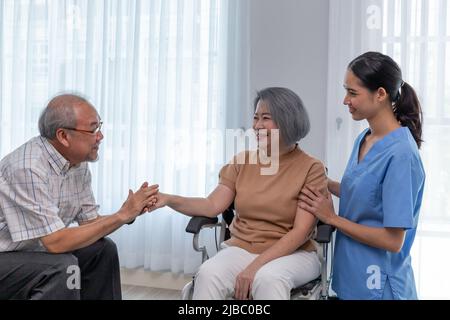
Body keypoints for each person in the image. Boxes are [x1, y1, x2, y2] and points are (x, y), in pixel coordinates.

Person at [151, 87, 327, 300]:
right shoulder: (242, 161)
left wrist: (254, 267)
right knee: (208, 274)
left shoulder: (311, 168)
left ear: (287, 121)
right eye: (255, 118)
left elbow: (300, 232)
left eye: (266, 118)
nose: (257, 125)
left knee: (268, 279)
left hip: (295, 253)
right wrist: (168, 199)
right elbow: (211, 205)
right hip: (242, 247)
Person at [0, 94, 158, 300]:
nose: (100, 136)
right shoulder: (27, 167)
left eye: (99, 127)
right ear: (63, 136)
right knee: (62, 268)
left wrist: (129, 212)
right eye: (93, 129)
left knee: (102, 249)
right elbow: (55, 242)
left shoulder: (77, 164)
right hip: (6, 256)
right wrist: (121, 215)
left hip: (32, 253)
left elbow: (90, 223)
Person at [299, 52, 425, 300]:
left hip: (380, 285)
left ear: (380, 94)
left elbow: (393, 240)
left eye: (353, 93)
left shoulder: (401, 155)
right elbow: (368, 197)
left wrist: (331, 218)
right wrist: (323, 183)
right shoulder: (364, 139)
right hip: (352, 278)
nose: (346, 100)